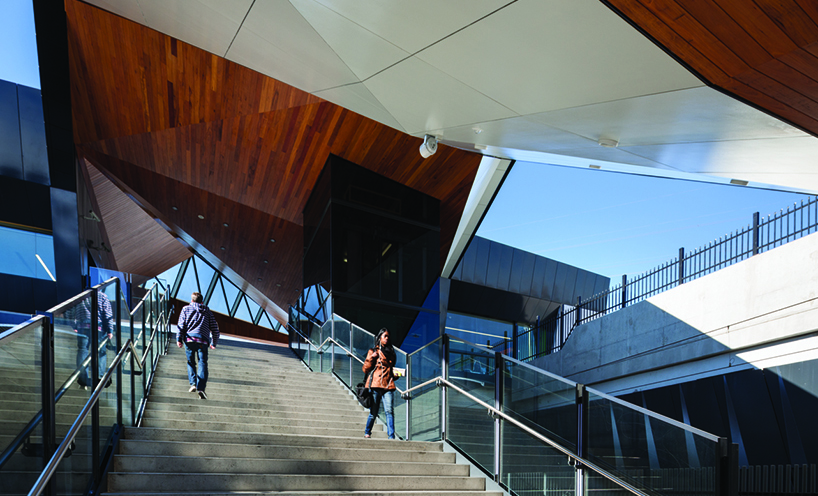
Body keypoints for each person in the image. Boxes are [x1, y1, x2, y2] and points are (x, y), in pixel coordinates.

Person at [176, 292, 219, 399]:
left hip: (189, 339)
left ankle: (193, 384)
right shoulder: (207, 311)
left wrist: (179, 339)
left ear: (191, 300)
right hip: (203, 341)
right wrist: (213, 343)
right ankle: (201, 388)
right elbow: (215, 329)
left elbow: (181, 325)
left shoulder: (186, 309)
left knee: (191, 362)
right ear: (202, 302)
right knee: (202, 363)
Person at [71, 290, 116, 390]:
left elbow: (70, 310)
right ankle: (99, 377)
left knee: (82, 351)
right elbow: (108, 314)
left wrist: (74, 325)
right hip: (99, 328)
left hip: (82, 327)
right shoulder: (102, 296)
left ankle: (83, 379)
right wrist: (110, 330)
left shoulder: (80, 296)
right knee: (101, 352)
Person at [362, 328, 397, 439]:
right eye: (385, 336)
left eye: (388, 336)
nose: (387, 338)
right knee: (374, 412)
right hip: (376, 385)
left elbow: (391, 371)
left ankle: (391, 436)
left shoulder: (392, 353)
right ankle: (367, 432)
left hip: (388, 385)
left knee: (389, 411)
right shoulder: (373, 351)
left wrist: (396, 375)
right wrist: (371, 358)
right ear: (380, 338)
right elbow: (365, 369)